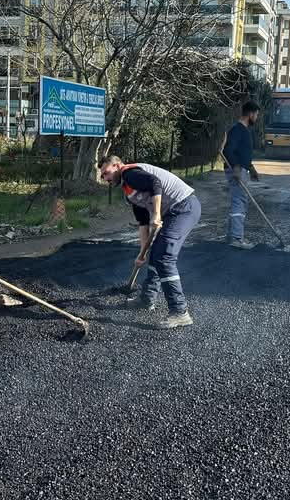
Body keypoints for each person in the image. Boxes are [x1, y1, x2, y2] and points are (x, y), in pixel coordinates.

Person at [99, 156, 202, 329]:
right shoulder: (129, 191)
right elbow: (143, 223)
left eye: (107, 173)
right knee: (155, 254)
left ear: (117, 165)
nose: (105, 179)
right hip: (174, 211)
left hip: (184, 206)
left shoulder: (130, 173)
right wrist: (142, 253)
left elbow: (155, 183)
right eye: (102, 176)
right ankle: (147, 299)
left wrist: (156, 213)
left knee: (164, 256)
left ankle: (180, 312)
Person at [224, 101, 261, 250]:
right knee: (239, 201)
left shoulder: (244, 130)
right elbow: (229, 151)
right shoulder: (238, 130)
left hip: (241, 170)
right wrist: (237, 168)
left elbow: (243, 154)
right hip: (235, 171)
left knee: (239, 201)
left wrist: (251, 169)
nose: (256, 118)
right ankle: (236, 238)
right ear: (251, 113)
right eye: (256, 115)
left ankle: (232, 235)